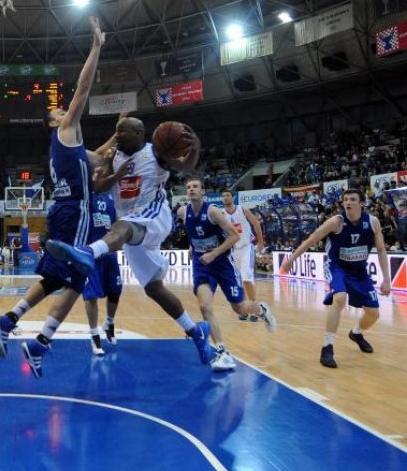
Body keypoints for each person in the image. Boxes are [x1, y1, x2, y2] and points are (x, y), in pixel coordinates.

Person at [0, 15, 106, 378]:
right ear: (57, 121)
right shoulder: (67, 127)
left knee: (56, 279)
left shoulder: (65, 146)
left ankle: (10, 320)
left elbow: (98, 158)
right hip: (76, 212)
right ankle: (40, 343)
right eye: (60, 112)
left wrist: (121, 137)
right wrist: (96, 47)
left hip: (62, 213)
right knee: (79, 277)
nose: (65, 111)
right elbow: (83, 90)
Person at [45, 117, 214, 366]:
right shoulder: (113, 157)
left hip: (154, 217)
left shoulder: (155, 153)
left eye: (121, 131)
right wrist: (117, 175)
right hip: (132, 228)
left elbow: (186, 166)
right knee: (153, 289)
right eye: (115, 131)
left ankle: (88, 253)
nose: (117, 135)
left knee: (122, 226)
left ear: (138, 132)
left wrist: (196, 147)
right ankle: (195, 330)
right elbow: (98, 186)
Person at [280, 188, 391, 368]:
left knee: (374, 314)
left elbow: (380, 249)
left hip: (360, 270)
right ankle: (327, 348)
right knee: (340, 298)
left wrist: (387, 279)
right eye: (345, 199)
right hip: (337, 267)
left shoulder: (373, 222)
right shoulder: (336, 222)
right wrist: (291, 259)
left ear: (361, 203)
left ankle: (356, 333)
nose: (348, 202)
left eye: (352, 199)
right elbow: (311, 239)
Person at [177, 178, 277, 371]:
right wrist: (192, 246)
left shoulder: (213, 211)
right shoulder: (183, 212)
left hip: (222, 263)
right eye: (188, 187)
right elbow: (192, 232)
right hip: (202, 265)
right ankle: (223, 352)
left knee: (239, 308)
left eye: (195, 187)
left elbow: (235, 236)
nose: (191, 189)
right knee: (205, 306)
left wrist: (214, 253)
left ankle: (262, 310)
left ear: (203, 191)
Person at [83, 187, 122, 356]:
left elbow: (117, 224)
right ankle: (94, 336)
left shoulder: (112, 198)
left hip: (109, 252)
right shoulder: (84, 196)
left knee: (115, 291)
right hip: (90, 254)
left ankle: (109, 323)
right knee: (91, 295)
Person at [220, 188, 266, 321]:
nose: (225, 198)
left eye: (228, 195)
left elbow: (256, 223)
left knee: (247, 278)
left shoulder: (242, 209)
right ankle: (244, 309)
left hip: (246, 248)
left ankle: (255, 309)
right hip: (232, 251)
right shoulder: (221, 214)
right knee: (237, 281)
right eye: (223, 196)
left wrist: (261, 242)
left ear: (232, 197)